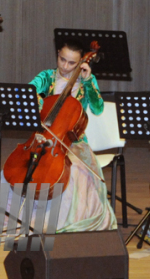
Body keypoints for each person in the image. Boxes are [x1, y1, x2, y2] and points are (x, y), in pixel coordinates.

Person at [19, 40, 116, 232]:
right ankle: (25, 215)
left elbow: (98, 108)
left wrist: (88, 82)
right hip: (45, 138)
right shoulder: (47, 77)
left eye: (72, 63)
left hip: (74, 142)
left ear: (82, 62)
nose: (65, 66)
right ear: (57, 54)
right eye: (62, 59)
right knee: (23, 167)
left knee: (74, 173)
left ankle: (64, 221)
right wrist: (38, 101)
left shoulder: (87, 80)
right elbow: (25, 93)